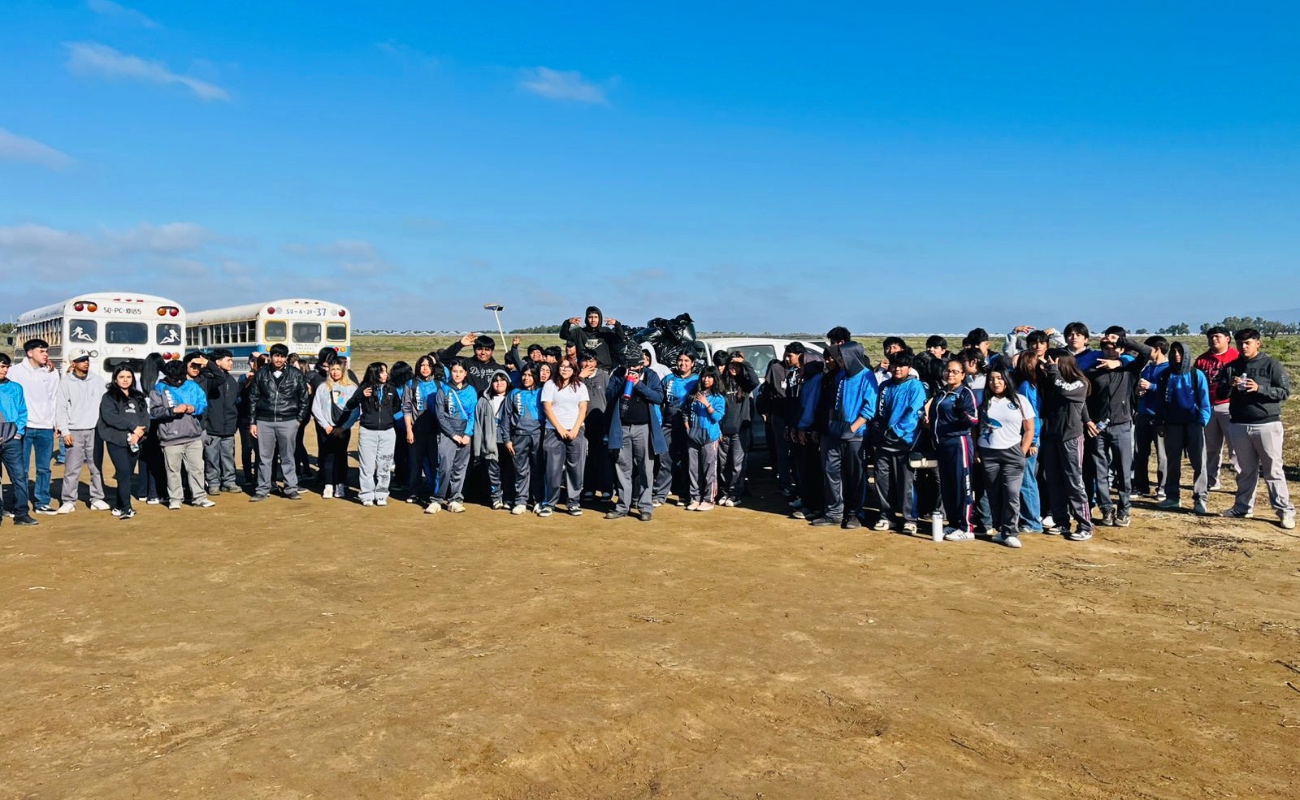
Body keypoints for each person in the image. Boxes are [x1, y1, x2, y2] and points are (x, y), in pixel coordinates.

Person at [1219, 329, 1294, 529]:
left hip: (1267, 424)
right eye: (1240, 343)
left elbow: (1285, 392)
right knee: (1245, 470)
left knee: (1273, 469)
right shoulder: (1232, 367)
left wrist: (1259, 388)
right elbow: (1220, 391)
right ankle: (1242, 507)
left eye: (1248, 343)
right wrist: (1230, 385)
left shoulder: (1272, 365)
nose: (1243, 347)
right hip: (1239, 424)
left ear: (1257, 343)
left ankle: (1284, 510)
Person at [1083, 327, 1151, 528]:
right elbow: (1083, 400)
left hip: (1122, 425)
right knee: (1100, 471)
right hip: (1098, 428)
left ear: (1121, 350)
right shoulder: (1093, 372)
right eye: (1105, 346)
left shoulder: (1129, 370)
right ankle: (1105, 509)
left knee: (1123, 470)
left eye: (1113, 347)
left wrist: (1123, 340)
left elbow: (1146, 352)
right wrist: (1088, 421)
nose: (1108, 349)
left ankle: (1124, 509)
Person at [813, 342, 877, 529]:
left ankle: (854, 513)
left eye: (841, 356)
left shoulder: (867, 377)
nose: (838, 360)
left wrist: (852, 429)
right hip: (834, 432)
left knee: (855, 475)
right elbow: (834, 402)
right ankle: (834, 511)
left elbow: (869, 408)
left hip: (854, 435)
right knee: (830, 471)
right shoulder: (841, 376)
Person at [977, 366, 1036, 548]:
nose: (996, 382)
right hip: (988, 452)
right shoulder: (984, 400)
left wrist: (1022, 450)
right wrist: (977, 451)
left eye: (1000, 378)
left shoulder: (1020, 400)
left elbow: (1029, 429)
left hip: (1012, 453)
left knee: (1011, 493)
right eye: (992, 379)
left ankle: (1010, 531)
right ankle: (1000, 529)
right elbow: (975, 427)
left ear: (1007, 380)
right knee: (994, 494)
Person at [604, 356, 666, 521]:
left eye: (634, 365)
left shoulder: (651, 375)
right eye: (628, 364)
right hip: (622, 427)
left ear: (641, 364)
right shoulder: (618, 374)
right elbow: (608, 396)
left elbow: (659, 397)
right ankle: (622, 506)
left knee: (646, 467)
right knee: (622, 467)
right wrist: (623, 383)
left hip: (643, 428)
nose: (631, 368)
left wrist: (638, 384)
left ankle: (645, 507)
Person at [1040, 351, 1094, 541]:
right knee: (1053, 481)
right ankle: (1061, 521)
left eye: (1051, 361)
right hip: (1051, 436)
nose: (1047, 364)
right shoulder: (1052, 380)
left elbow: (1066, 390)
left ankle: (1085, 524)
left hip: (1070, 437)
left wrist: (1053, 371)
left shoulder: (1080, 381)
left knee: (1074, 482)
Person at [248, 343, 311, 502]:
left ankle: (291, 488)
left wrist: (299, 420)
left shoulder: (295, 374)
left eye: (282, 356)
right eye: (276, 355)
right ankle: (262, 488)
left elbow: (304, 399)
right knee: (264, 457)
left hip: (288, 420)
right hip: (264, 421)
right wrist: (252, 422)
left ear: (285, 358)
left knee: (288, 456)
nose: (279, 359)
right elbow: (253, 399)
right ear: (271, 356)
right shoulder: (261, 373)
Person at [871, 352, 926, 532]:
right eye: (894, 365)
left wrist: (895, 432)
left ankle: (910, 518)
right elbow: (878, 411)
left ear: (909, 368)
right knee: (882, 480)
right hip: (882, 443)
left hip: (904, 443)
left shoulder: (915, 386)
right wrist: (878, 431)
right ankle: (886, 515)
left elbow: (914, 414)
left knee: (906, 483)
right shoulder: (885, 386)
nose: (897, 369)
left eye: (902, 365)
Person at [149, 360, 215, 510]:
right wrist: (172, 411)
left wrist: (195, 408)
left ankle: (199, 497)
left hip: (193, 436)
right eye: (174, 379)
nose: (178, 381)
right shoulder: (159, 388)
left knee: (197, 468)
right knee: (173, 470)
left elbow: (203, 403)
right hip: (170, 438)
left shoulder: (192, 386)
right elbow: (154, 411)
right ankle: (175, 499)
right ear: (168, 376)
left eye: (181, 378)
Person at [1154, 342, 1212, 514]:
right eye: (1174, 351)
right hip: (1172, 424)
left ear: (1187, 354)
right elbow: (1159, 402)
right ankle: (1172, 497)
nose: (1177, 355)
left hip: (1194, 424)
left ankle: (1200, 498)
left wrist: (1202, 422)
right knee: (1173, 462)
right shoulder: (1164, 375)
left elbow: (1204, 401)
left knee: (1199, 463)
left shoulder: (1196, 375)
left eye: (1181, 351)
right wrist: (1160, 422)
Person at [927, 358, 979, 540]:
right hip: (942, 444)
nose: (950, 374)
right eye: (948, 371)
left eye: (955, 371)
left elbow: (973, 420)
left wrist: (962, 413)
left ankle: (967, 527)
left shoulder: (965, 393)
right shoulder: (940, 393)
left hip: (959, 442)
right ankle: (954, 523)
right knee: (948, 486)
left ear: (963, 375)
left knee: (962, 484)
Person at [54, 349, 110, 513]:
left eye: (87, 359)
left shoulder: (98, 380)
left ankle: (97, 498)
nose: (86, 362)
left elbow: (104, 405)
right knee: (72, 468)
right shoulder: (66, 383)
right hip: (74, 430)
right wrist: (65, 431)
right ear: (73, 363)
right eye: (81, 359)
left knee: (96, 467)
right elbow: (61, 409)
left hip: (95, 430)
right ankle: (69, 500)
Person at [9, 338, 60, 515]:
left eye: (46, 351)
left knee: (44, 467)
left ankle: (42, 502)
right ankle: (19, 504)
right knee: (20, 468)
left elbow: (54, 399)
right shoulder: (14, 372)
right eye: (42, 351)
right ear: (30, 353)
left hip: (45, 426)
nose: (46, 354)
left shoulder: (52, 373)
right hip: (23, 427)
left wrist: (55, 423)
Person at [96, 365, 149, 521]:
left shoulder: (138, 396)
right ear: (115, 379)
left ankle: (118, 505)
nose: (125, 380)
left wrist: (140, 432)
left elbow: (145, 416)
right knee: (124, 471)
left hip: (136, 441)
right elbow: (110, 417)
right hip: (116, 440)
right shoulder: (109, 397)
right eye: (121, 377)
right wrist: (132, 427)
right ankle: (127, 508)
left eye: (128, 377)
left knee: (127, 474)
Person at [346, 362, 400, 507]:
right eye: (382, 372)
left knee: (384, 465)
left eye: (386, 372)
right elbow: (350, 404)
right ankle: (366, 494)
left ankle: (382, 494)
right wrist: (361, 397)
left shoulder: (392, 389)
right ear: (374, 373)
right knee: (367, 466)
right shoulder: (364, 388)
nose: (385, 374)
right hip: (367, 432)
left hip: (387, 433)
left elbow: (397, 406)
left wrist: (387, 417)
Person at [540, 358, 590, 517]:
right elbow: (547, 408)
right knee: (553, 468)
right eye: (562, 366)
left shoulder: (580, 386)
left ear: (574, 369)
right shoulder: (550, 385)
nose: (565, 369)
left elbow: (583, 408)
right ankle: (550, 503)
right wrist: (559, 428)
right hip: (554, 431)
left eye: (569, 367)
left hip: (576, 431)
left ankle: (574, 502)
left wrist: (575, 428)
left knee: (575, 468)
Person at [1195, 326, 1240, 491]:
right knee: (1211, 447)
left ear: (1227, 338)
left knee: (1235, 447)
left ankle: (1243, 482)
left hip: (1229, 405)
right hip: (1207, 406)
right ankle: (1212, 481)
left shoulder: (1236, 357)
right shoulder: (1201, 360)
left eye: (1217, 336)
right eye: (1210, 337)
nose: (1213, 339)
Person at [432, 360, 478, 514]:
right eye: (454, 371)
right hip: (447, 433)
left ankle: (455, 499)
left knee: (460, 468)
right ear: (450, 372)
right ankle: (437, 499)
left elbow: (472, 415)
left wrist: (467, 434)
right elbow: (440, 416)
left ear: (465, 374)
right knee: (444, 466)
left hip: (465, 432)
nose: (457, 374)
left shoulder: (471, 391)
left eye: (460, 371)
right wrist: (452, 434)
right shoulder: (443, 390)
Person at [655, 351, 699, 506]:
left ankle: (685, 494)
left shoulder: (698, 380)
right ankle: (660, 494)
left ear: (693, 363)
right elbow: (658, 401)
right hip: (669, 424)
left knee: (688, 460)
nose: (683, 363)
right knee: (665, 459)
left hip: (690, 425)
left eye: (687, 360)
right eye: (680, 360)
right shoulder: (669, 379)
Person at [0, 353, 38, 526]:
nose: (4, 369)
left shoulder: (16, 388)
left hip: (12, 439)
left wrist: (17, 433)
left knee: (19, 476)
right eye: (1, 366)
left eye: (6, 366)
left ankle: (21, 513)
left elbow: (22, 412)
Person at [716, 352, 759, 507]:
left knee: (736, 465)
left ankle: (735, 494)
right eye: (731, 365)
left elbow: (754, 380)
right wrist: (718, 429)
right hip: (723, 431)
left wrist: (745, 362)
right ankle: (724, 492)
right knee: (723, 465)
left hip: (740, 431)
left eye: (737, 366)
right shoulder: (721, 384)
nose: (734, 368)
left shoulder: (745, 384)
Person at [196, 348, 241, 495]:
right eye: (228, 360)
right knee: (212, 457)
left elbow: (236, 401)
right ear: (217, 362)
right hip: (212, 426)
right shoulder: (208, 378)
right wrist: (208, 364)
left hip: (229, 426)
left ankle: (229, 481)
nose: (231, 363)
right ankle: (213, 482)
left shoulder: (232, 380)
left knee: (228, 456)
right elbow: (217, 378)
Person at [311, 360, 358, 500]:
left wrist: (344, 427)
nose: (335, 372)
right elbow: (316, 407)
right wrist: (325, 425)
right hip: (327, 428)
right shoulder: (323, 387)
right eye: (332, 369)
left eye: (338, 369)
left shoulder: (351, 388)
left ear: (343, 371)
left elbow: (356, 410)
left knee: (341, 456)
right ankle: (328, 484)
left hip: (342, 429)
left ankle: (340, 484)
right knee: (328, 457)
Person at [503, 364, 545, 515]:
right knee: (520, 470)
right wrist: (507, 440)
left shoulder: (542, 392)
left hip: (538, 435)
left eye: (530, 375)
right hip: (519, 436)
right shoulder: (514, 393)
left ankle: (538, 500)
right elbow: (505, 417)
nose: (526, 378)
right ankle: (521, 500)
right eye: (524, 375)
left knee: (538, 469)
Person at [1012, 350, 1046, 534]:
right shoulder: (1032, 384)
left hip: (1028, 437)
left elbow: (1032, 415)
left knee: (1026, 480)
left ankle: (1032, 522)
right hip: (1029, 436)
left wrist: (1032, 441)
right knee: (1027, 478)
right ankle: (1030, 519)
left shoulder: (1025, 386)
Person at [683, 366, 725, 511]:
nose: (706, 379)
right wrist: (687, 426)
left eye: (710, 377)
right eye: (704, 376)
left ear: (715, 379)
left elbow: (718, 417)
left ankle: (709, 499)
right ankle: (694, 498)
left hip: (709, 437)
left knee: (709, 469)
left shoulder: (718, 397)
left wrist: (707, 404)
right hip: (693, 436)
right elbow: (685, 411)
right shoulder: (693, 395)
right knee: (693, 469)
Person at [1133, 336, 1170, 500]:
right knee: (1140, 453)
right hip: (1143, 414)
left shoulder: (1169, 369)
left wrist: (1152, 387)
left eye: (1147, 349)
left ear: (1157, 349)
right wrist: (1139, 393)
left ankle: (1163, 487)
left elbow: (1170, 391)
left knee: (1162, 454)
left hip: (1160, 417)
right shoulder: (1146, 369)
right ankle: (1141, 485)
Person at [402, 354, 442, 505]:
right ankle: (414, 491)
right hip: (416, 430)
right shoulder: (410, 384)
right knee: (415, 463)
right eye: (422, 365)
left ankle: (435, 492)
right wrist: (409, 430)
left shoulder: (439, 385)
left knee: (435, 463)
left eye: (428, 366)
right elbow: (406, 408)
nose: (425, 369)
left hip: (435, 431)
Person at [473, 370, 512, 509]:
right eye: (496, 380)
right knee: (493, 472)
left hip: (508, 442)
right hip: (490, 442)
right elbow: (478, 425)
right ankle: (496, 498)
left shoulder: (512, 398)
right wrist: (477, 448)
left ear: (508, 382)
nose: (499, 383)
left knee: (509, 471)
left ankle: (508, 498)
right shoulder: (483, 401)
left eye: (502, 380)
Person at [578, 352, 613, 501]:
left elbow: (610, 398)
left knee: (604, 457)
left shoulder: (604, 376)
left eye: (591, 361)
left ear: (596, 362)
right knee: (587, 458)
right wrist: (580, 377)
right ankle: (588, 488)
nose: (588, 364)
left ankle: (607, 489)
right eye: (584, 361)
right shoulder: (578, 378)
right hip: (583, 424)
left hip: (602, 423)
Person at [137, 353, 168, 504]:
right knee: (156, 460)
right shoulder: (162, 380)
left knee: (143, 459)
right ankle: (154, 494)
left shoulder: (139, 379)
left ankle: (142, 492)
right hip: (157, 421)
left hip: (142, 422)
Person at [560, 307, 623, 372]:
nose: (593, 320)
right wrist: (567, 323)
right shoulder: (579, 332)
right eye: (590, 317)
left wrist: (617, 324)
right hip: (584, 369)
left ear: (600, 318)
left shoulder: (605, 331)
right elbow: (564, 335)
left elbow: (619, 339)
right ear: (586, 318)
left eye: (596, 317)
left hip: (602, 369)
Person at [237, 352, 266, 488]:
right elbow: (238, 398)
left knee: (261, 450)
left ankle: (260, 477)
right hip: (246, 419)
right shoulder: (244, 377)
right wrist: (245, 382)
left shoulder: (267, 377)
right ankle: (248, 477)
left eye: (259, 360)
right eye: (253, 360)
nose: (256, 362)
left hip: (263, 419)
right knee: (247, 448)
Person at [440, 333, 505, 394]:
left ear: (492, 351)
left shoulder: (499, 368)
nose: (483, 352)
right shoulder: (466, 363)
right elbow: (444, 359)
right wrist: (460, 344)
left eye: (487, 349)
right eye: (479, 349)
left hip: (490, 404)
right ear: (474, 350)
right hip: (470, 403)